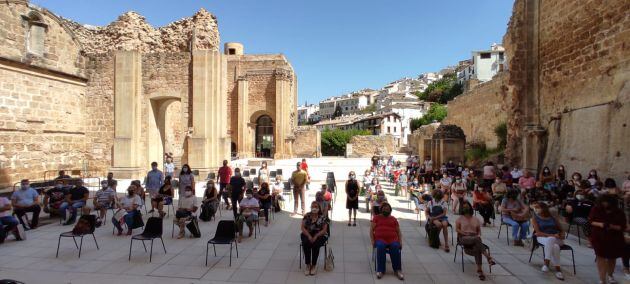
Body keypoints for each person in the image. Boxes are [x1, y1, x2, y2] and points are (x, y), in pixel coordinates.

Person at [589, 194, 626, 284]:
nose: (604, 204)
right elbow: (591, 221)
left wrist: (611, 226)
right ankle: (602, 279)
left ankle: (610, 275)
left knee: (612, 257)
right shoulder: (596, 209)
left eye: (606, 202)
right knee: (600, 257)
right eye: (602, 202)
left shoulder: (619, 212)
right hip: (599, 237)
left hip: (614, 238)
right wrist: (601, 224)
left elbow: (622, 227)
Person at [455, 201, 496, 281]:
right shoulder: (459, 219)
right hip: (464, 237)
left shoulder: (475, 219)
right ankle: (488, 257)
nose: (466, 208)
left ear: (470, 208)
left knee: (477, 247)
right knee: (477, 240)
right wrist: (465, 233)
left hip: (474, 238)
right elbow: (457, 229)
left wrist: (477, 236)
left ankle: (480, 271)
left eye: (467, 206)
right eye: (464, 207)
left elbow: (478, 232)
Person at [530, 202, 566, 280]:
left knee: (552, 241)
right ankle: (558, 270)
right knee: (555, 246)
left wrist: (562, 235)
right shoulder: (535, 218)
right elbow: (538, 233)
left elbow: (562, 230)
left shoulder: (553, 218)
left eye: (538, 207)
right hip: (542, 237)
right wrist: (553, 235)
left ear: (544, 208)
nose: (536, 209)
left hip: (557, 239)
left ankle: (546, 264)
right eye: (535, 208)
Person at [370, 202, 404, 280]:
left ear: (390, 210)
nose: (386, 210)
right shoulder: (376, 218)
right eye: (384, 208)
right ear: (381, 209)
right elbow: (371, 230)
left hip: (393, 239)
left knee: (395, 246)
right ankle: (381, 270)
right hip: (380, 239)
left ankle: (397, 270)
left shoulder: (393, 219)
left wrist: (400, 242)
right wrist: (372, 241)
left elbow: (398, 232)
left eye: (388, 209)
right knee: (381, 247)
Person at [300, 201, 328, 276]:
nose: (314, 208)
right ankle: (308, 265)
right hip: (307, 233)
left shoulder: (322, 217)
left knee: (316, 244)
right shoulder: (307, 216)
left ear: (319, 208)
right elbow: (302, 228)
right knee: (306, 243)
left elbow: (324, 230)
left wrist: (316, 236)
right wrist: (309, 236)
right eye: (313, 206)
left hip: (319, 234)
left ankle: (314, 265)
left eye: (316, 207)